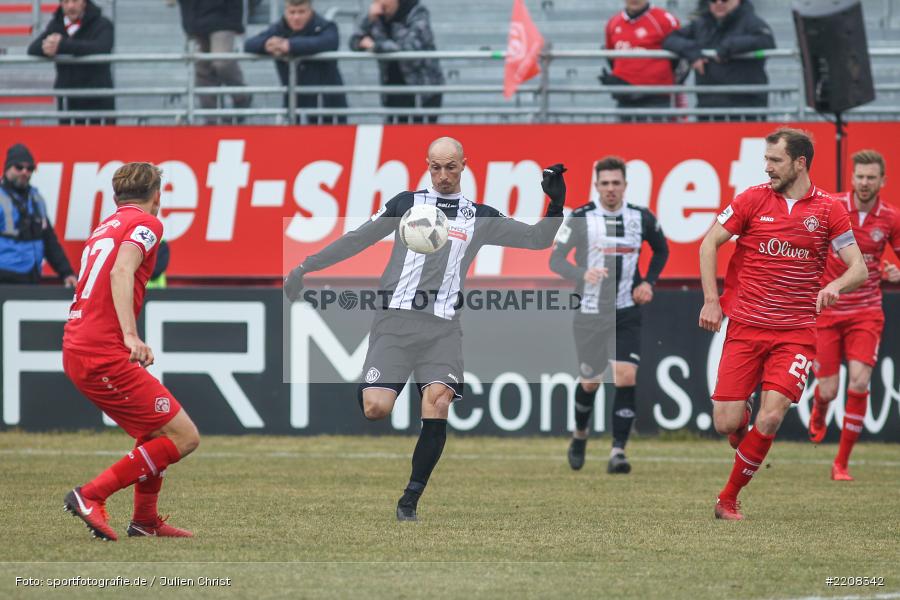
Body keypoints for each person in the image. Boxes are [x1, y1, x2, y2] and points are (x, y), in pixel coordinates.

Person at [284, 137, 566, 521]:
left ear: (464, 165)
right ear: (427, 166)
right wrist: (305, 267)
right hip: (395, 323)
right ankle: (375, 383)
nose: (443, 175)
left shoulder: (479, 216)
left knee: (436, 403)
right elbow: (357, 239)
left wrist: (556, 204)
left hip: (442, 329)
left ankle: (409, 501)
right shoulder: (405, 204)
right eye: (436, 167)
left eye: (451, 167)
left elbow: (537, 240)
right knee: (375, 409)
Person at [698, 128, 867, 520]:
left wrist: (836, 285)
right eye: (767, 160)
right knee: (726, 423)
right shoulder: (752, 199)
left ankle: (728, 499)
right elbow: (709, 244)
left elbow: (858, 267)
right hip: (746, 326)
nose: (768, 167)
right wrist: (711, 300)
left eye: (776, 160)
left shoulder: (829, 209)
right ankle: (744, 427)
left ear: (800, 162)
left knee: (771, 417)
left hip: (796, 333)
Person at [62, 163, 200, 541]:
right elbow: (121, 271)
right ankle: (91, 495)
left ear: (116, 196)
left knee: (158, 428)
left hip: (83, 345)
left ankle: (145, 520)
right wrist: (130, 336)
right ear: (157, 196)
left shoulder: (105, 227)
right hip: (101, 351)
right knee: (184, 437)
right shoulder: (148, 224)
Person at [550, 156, 668, 474]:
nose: (611, 189)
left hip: (626, 310)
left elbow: (662, 249)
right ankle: (579, 436)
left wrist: (648, 282)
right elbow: (556, 260)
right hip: (589, 313)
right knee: (590, 382)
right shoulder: (581, 217)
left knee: (626, 376)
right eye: (605, 183)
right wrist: (582, 272)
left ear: (625, 185)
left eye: (617, 183)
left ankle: (618, 451)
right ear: (596, 185)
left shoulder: (640, 217)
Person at [809, 150, 900, 480]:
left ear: (882, 181)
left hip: (866, 311)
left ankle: (841, 463)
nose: (864, 182)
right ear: (852, 178)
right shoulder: (832, 207)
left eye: (871, 177)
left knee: (860, 381)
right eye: (859, 176)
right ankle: (820, 408)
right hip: (829, 312)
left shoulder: (890, 218)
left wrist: (896, 274)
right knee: (830, 390)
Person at [662, 0, 775, 121]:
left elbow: (766, 41)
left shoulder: (751, 21)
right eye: (713, 0)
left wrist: (731, 46)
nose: (719, 3)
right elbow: (670, 40)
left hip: (747, 109)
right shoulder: (701, 23)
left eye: (725, 0)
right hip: (709, 108)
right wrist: (693, 52)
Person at [244, 0, 348, 124]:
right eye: (292, 12)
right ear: (285, 12)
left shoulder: (326, 27)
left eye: (301, 12)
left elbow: (328, 42)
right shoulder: (279, 28)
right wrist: (266, 45)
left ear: (310, 11)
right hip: (294, 103)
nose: (296, 17)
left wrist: (290, 45)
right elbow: (249, 44)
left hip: (327, 104)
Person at [349, 0, 444, 124]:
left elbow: (408, 47)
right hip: (392, 89)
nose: (378, 3)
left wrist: (375, 46)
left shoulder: (416, 12)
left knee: (420, 136)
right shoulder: (376, 17)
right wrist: (369, 20)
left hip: (422, 91)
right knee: (396, 137)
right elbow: (355, 41)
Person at [27, 0, 115, 125]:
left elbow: (102, 48)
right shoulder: (56, 24)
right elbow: (33, 49)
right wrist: (47, 47)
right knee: (67, 143)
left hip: (98, 98)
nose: (70, 6)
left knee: (101, 143)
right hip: (68, 99)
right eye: (66, 2)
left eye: (75, 1)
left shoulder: (102, 24)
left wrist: (62, 45)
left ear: (84, 2)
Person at [0, 143, 77, 285]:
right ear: (7, 169)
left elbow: (49, 240)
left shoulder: (36, 199)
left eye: (29, 168)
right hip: (4, 279)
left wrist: (66, 272)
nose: (24, 172)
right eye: (19, 167)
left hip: (31, 277)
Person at [601, 0, 680, 121]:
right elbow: (611, 56)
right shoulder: (613, 22)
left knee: (658, 138)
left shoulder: (665, 20)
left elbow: (680, 56)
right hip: (625, 98)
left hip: (656, 98)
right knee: (626, 138)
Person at [177, 0, 251, 121]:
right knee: (202, 72)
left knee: (221, 62)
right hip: (195, 22)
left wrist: (236, 23)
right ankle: (210, 119)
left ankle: (242, 96)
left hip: (223, 20)